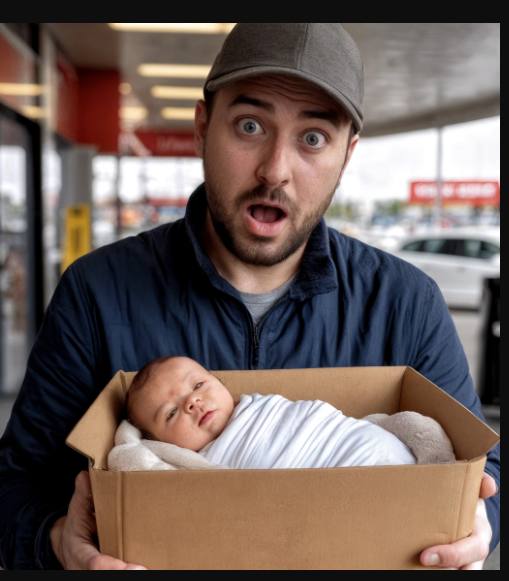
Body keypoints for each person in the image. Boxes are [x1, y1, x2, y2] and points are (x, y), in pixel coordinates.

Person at [0, 23, 499, 570]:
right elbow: (14, 486)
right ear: (202, 128)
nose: (274, 171)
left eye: (314, 137)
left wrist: (477, 524)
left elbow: (486, 473)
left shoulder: (407, 303)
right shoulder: (97, 292)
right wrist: (57, 541)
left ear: (346, 155)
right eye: (250, 125)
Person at [123, 356, 417, 468]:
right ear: (160, 444)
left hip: (356, 445)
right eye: (171, 413)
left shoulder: (260, 408)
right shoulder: (197, 469)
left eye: (198, 384)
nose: (192, 402)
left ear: (221, 383)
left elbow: (318, 422)